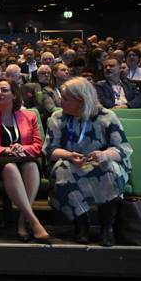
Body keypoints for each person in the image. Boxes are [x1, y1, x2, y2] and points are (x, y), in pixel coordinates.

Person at [44, 77, 133, 246]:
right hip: (71, 162)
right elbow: (49, 150)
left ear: (81, 100)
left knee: (110, 170)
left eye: (65, 99)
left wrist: (104, 155)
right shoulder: (58, 117)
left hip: (101, 161)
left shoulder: (107, 116)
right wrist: (69, 155)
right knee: (62, 170)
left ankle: (107, 227)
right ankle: (81, 225)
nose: (60, 101)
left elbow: (123, 148)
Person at [0, 79, 49, 243]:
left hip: (23, 158)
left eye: (4, 90)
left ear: (14, 95)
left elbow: (38, 145)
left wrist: (23, 149)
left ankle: (22, 220)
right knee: (9, 166)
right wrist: (5, 150)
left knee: (31, 164)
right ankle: (34, 220)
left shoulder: (29, 116)